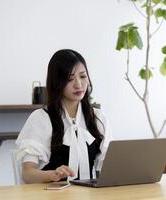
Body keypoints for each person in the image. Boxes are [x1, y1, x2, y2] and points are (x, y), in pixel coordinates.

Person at [16, 49, 111, 183]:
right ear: (57, 82)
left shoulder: (98, 117)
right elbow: (27, 174)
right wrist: (51, 175)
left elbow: (109, 165)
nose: (78, 84)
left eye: (83, 76)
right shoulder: (41, 118)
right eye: (69, 79)